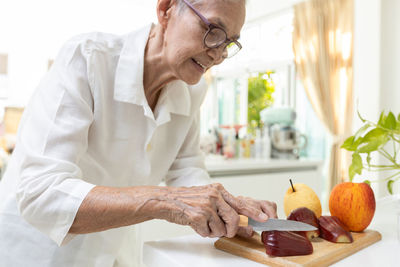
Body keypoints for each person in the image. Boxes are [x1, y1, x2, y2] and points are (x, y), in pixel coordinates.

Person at [0, 0, 277, 266]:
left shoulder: (192, 90)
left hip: (116, 252)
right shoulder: (87, 60)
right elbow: (40, 193)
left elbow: (186, 170)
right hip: (35, 254)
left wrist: (229, 210)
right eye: (212, 30)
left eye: (229, 41)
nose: (218, 54)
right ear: (166, 8)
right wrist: (164, 200)